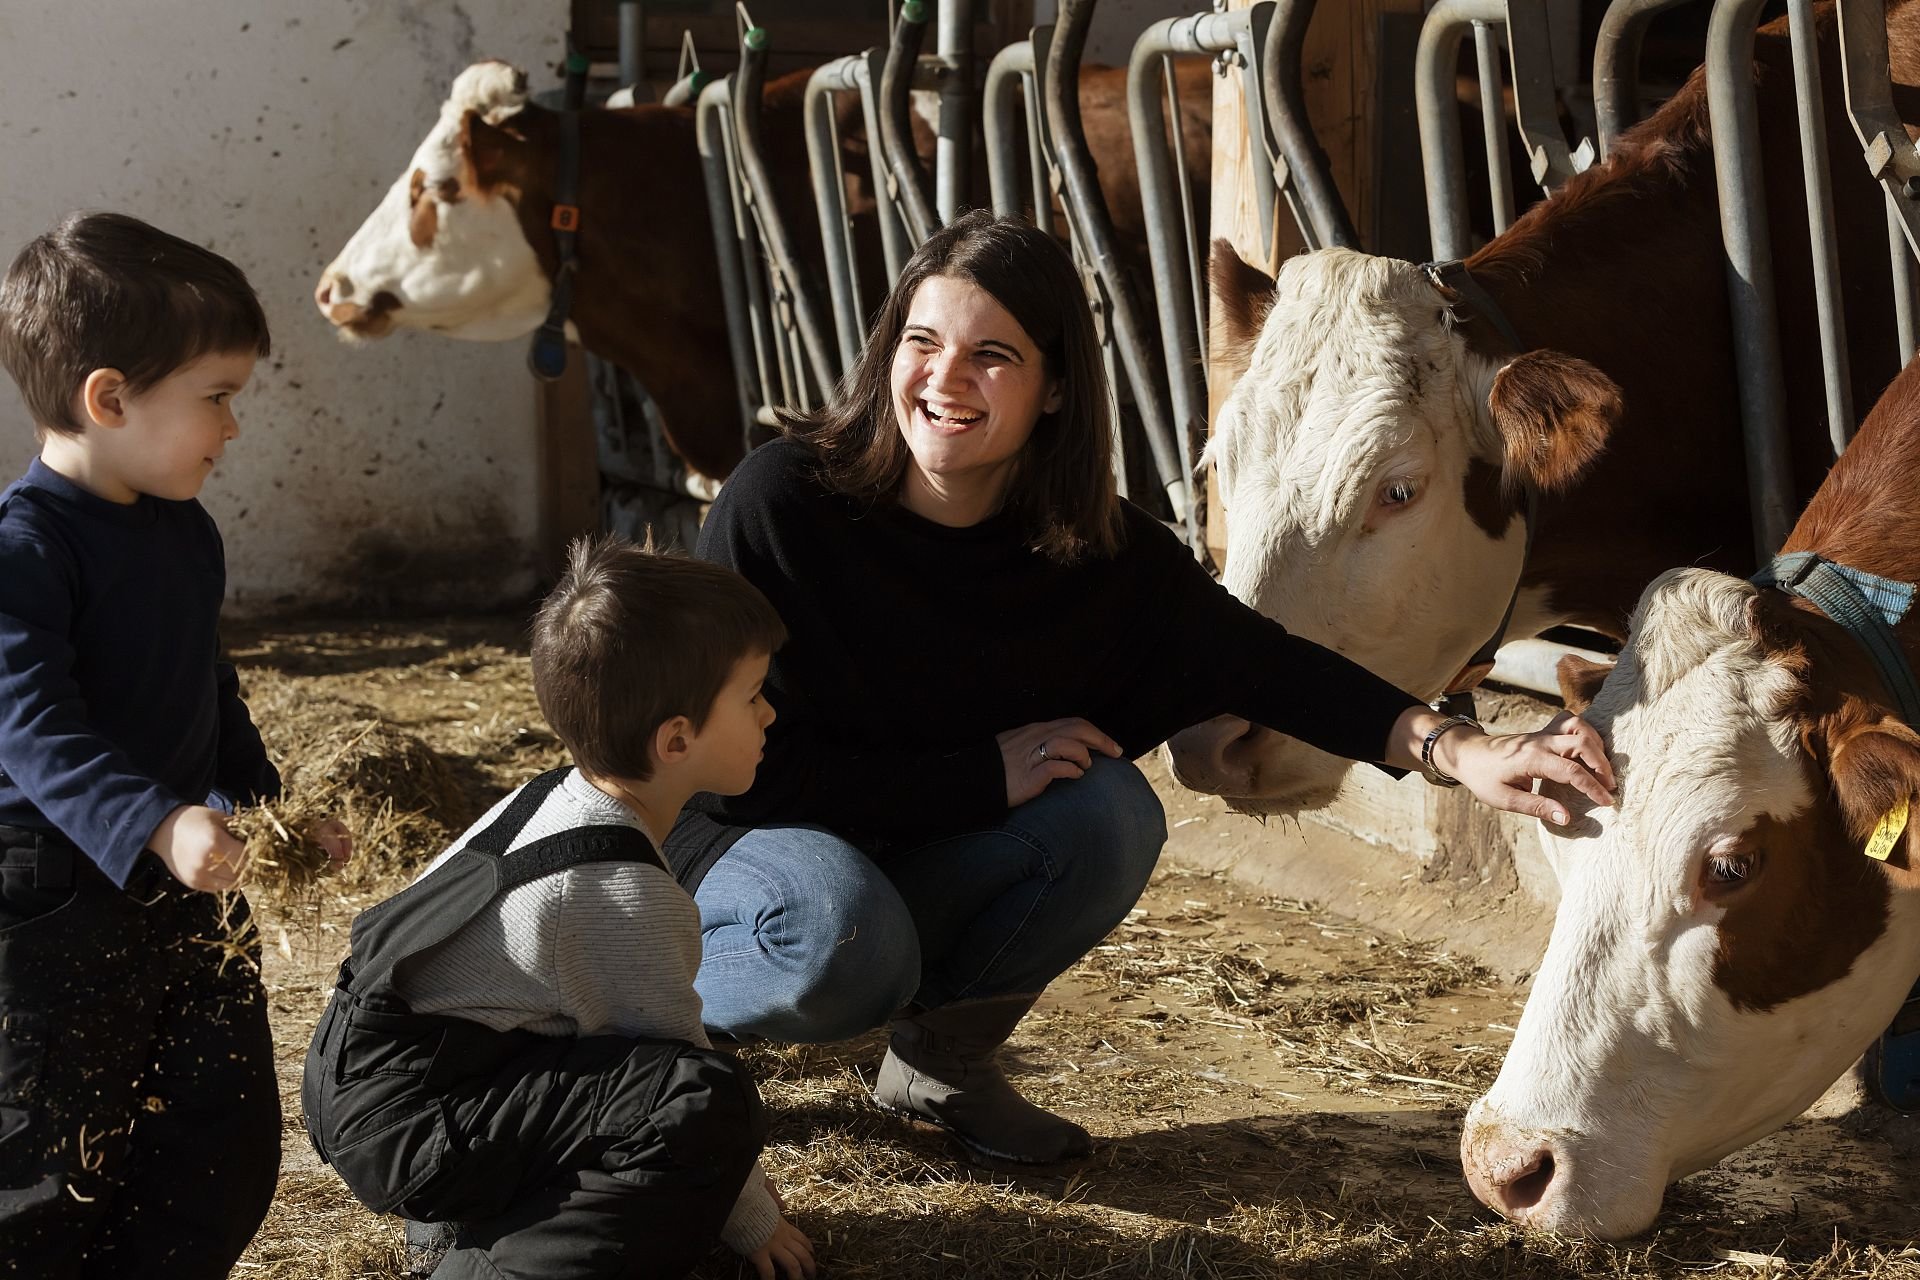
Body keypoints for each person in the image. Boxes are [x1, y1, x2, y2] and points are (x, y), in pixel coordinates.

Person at [665, 210, 1617, 1166]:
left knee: (1109, 815)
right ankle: (655, 1022)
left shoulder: (1098, 555)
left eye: (991, 355)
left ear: (1054, 390)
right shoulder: (783, 503)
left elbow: (1263, 662)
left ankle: (941, 1065)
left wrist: (1456, 746)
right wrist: (976, 780)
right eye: (922, 341)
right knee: (840, 937)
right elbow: (729, 778)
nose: (945, 380)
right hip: (746, 849)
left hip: (900, 853)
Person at [303, 535, 816, 1280]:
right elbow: (676, 1072)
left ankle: (461, 1213)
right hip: (407, 1118)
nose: (770, 714)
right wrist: (752, 1221)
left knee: (634, 1078)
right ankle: (490, 1265)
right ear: (677, 740)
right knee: (708, 1102)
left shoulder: (550, 796)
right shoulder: (617, 890)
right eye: (752, 696)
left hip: (368, 1077)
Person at [0, 211, 352, 1273]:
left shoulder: (184, 530)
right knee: (52, 1160)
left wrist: (270, 811)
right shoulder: (25, 548)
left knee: (218, 1141)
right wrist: (155, 820)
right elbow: (31, 726)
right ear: (108, 398)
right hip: (56, 900)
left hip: (191, 885)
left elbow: (207, 684)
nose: (232, 427)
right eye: (216, 398)